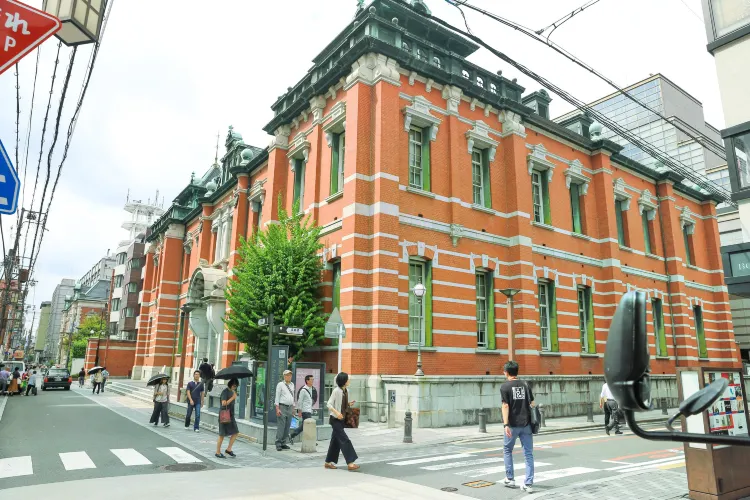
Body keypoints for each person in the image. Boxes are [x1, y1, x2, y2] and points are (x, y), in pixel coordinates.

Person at [500, 360, 535, 493]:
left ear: (507, 372)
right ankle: (528, 483)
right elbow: (532, 403)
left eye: (504, 371)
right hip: (526, 424)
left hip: (513, 425)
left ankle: (510, 478)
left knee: (507, 450)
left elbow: (505, 405)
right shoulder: (526, 385)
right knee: (528, 453)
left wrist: (505, 425)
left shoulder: (505, 387)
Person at [325, 372, 359, 471]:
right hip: (335, 419)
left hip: (342, 420)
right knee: (345, 440)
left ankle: (328, 462)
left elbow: (341, 404)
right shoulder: (336, 391)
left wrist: (348, 404)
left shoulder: (346, 391)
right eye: (348, 379)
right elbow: (329, 404)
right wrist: (337, 413)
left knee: (335, 442)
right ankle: (350, 463)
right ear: (344, 381)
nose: (349, 380)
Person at [215, 378, 239, 459]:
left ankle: (229, 449)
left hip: (231, 415)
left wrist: (233, 396)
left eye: (236, 386)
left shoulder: (233, 392)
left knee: (235, 432)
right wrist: (232, 398)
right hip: (224, 414)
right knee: (222, 434)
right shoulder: (225, 391)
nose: (234, 387)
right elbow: (223, 403)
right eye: (233, 386)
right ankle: (217, 452)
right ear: (230, 384)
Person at [275, 369, 295, 451]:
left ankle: (283, 443)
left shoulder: (292, 384)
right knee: (281, 426)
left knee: (287, 426)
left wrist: (293, 408)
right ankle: (278, 443)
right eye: (287, 375)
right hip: (282, 407)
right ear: (284, 376)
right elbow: (277, 397)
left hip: (290, 407)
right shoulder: (280, 384)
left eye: (290, 375)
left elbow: (292, 397)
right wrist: (277, 409)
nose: (289, 376)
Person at [290, 374, 315, 444]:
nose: (313, 381)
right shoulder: (303, 390)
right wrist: (299, 411)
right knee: (308, 425)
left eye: (313, 379)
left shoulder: (311, 389)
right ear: (307, 381)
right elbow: (300, 401)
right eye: (311, 379)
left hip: (309, 410)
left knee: (305, 426)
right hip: (305, 411)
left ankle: (292, 435)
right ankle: (311, 441)